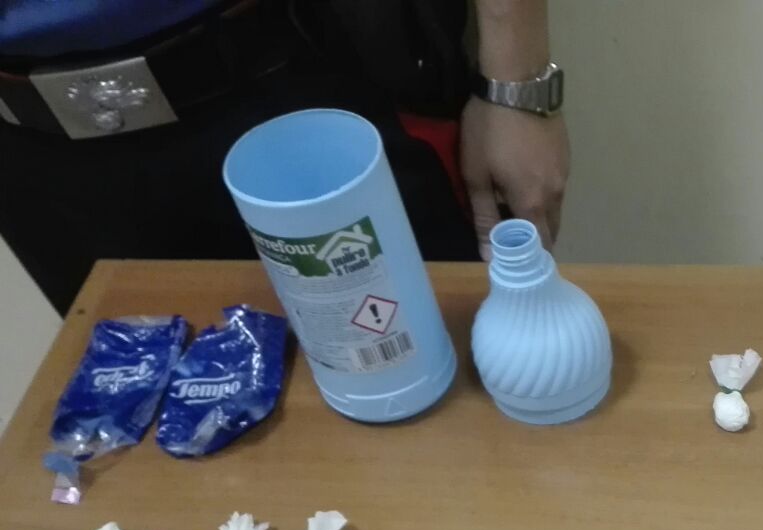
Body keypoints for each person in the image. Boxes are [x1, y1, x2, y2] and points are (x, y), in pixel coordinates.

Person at [0, 0, 569, 314]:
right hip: (37, 150)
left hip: (309, 73)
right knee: (152, 455)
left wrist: (516, 82)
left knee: (451, 403)